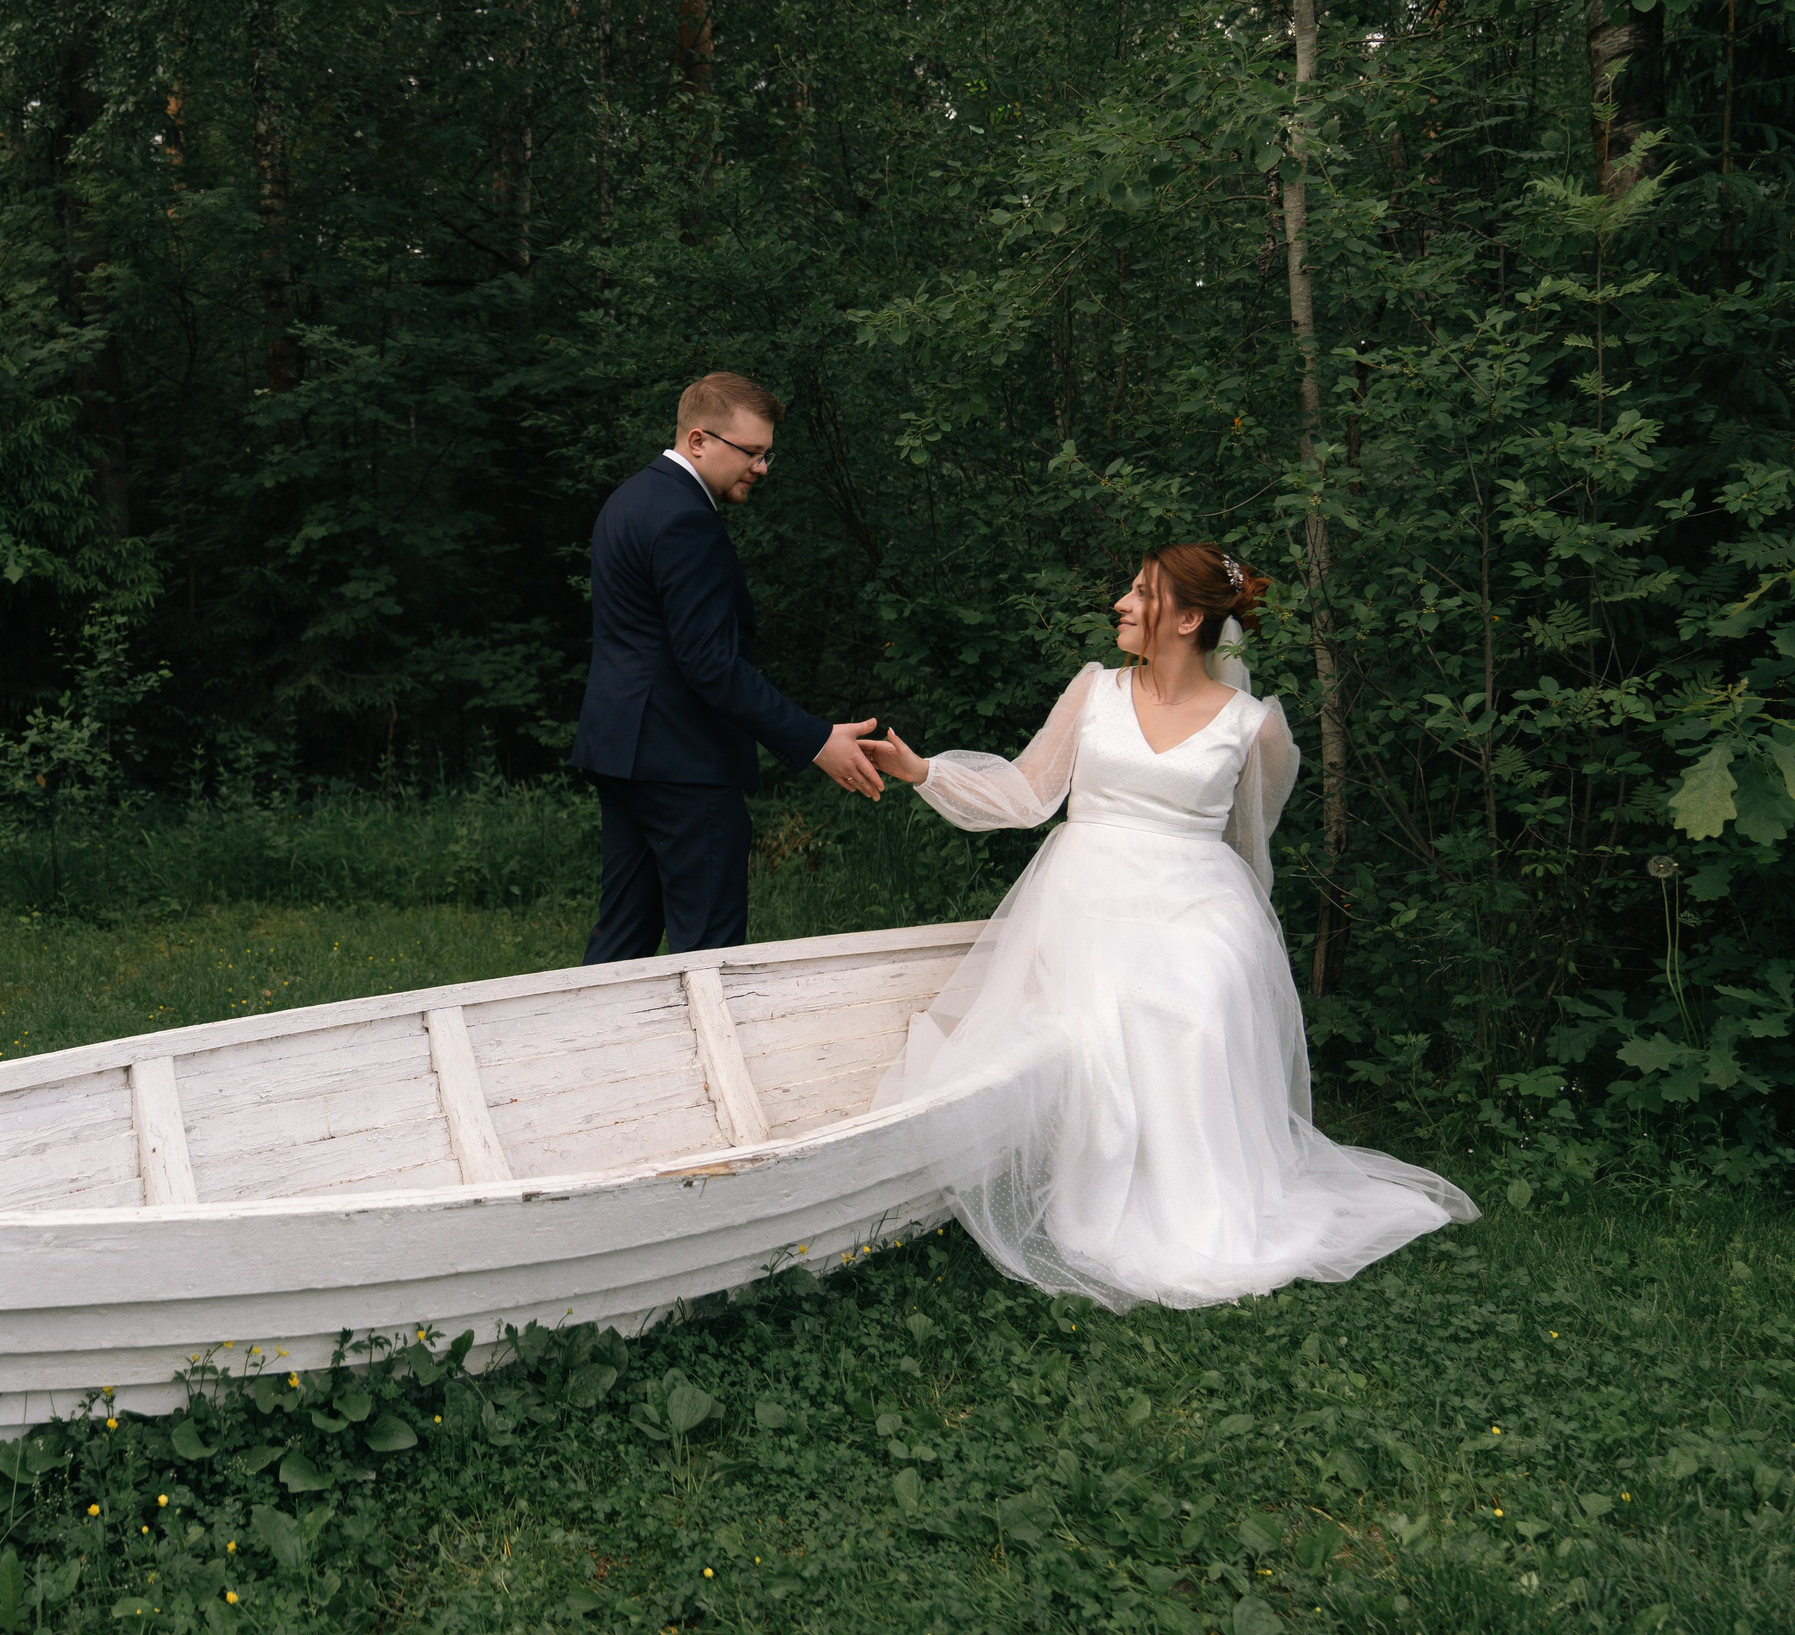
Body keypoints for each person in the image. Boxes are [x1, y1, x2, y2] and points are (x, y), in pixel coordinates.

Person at [858, 543, 1476, 1310]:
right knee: (1107, 999)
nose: (1119, 602)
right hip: (1084, 891)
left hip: (1195, 897)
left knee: (1201, 996)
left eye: (1140, 592)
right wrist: (926, 771)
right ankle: (1101, 1190)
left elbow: (1248, 849)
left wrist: (1238, 945)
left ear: (1187, 619)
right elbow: (1026, 792)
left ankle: (1200, 1202)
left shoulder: (1256, 730)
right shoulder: (1093, 690)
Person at [570, 372, 885, 963]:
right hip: (685, 764)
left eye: (768, 455)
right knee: (709, 955)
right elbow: (710, 664)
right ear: (698, 440)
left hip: (624, 753)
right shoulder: (687, 518)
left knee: (620, 946)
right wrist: (816, 739)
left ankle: (579, 1056)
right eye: (751, 452)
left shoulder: (631, 498)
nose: (762, 468)